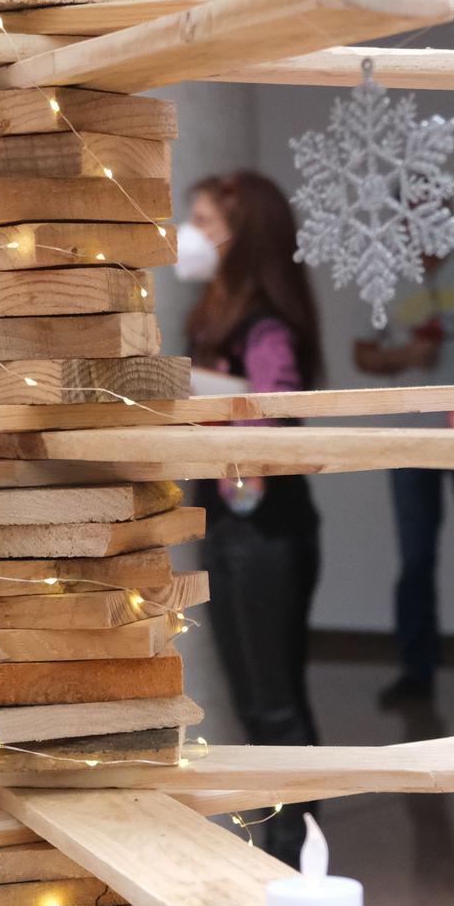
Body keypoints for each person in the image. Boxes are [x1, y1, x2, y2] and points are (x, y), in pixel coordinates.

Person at [179, 172, 325, 865]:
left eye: (205, 222)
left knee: (275, 705)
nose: (192, 236)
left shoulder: (264, 320)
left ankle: (298, 852)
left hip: (266, 532)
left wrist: (231, 412)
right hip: (229, 527)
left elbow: (280, 403)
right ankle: (280, 841)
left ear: (243, 236)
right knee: (253, 701)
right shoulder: (212, 311)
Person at [353, 245, 454, 709]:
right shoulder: (384, 272)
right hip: (412, 435)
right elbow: (363, 353)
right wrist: (406, 357)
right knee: (415, 559)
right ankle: (416, 673)